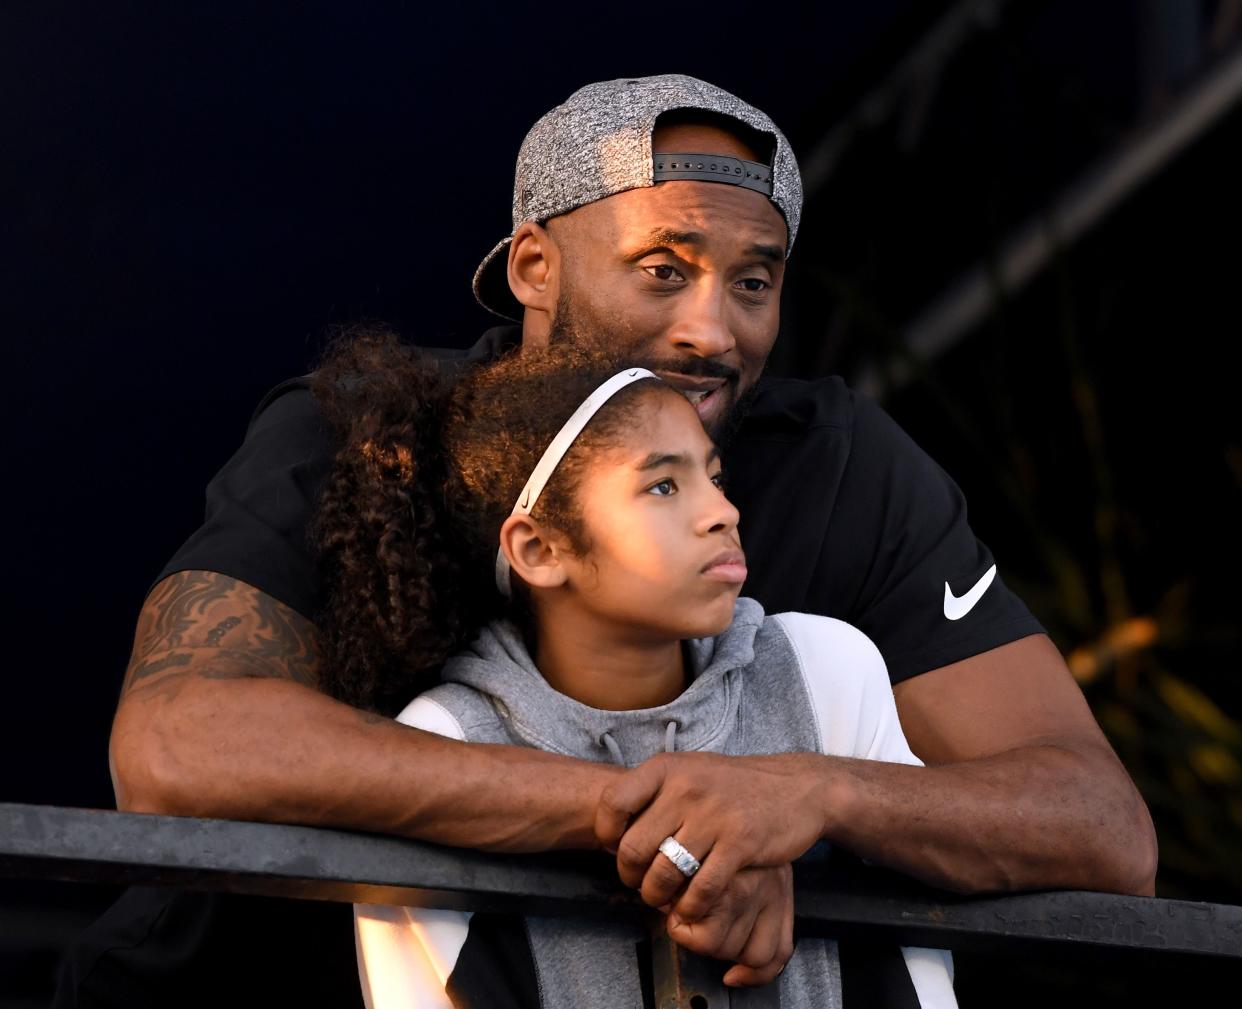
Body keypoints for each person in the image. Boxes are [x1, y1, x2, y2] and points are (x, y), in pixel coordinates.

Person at [58, 74, 1156, 1008]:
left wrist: (805, 796)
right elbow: (179, 745)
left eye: (755, 282)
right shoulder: (360, 432)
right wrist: (640, 814)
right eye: (664, 268)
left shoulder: (843, 465)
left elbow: (1104, 832)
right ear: (536, 267)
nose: (712, 329)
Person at [332, 333, 957, 1008]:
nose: (723, 511)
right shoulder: (447, 736)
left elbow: (921, 963)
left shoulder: (823, 670)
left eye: (714, 477)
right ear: (539, 548)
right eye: (664, 485)